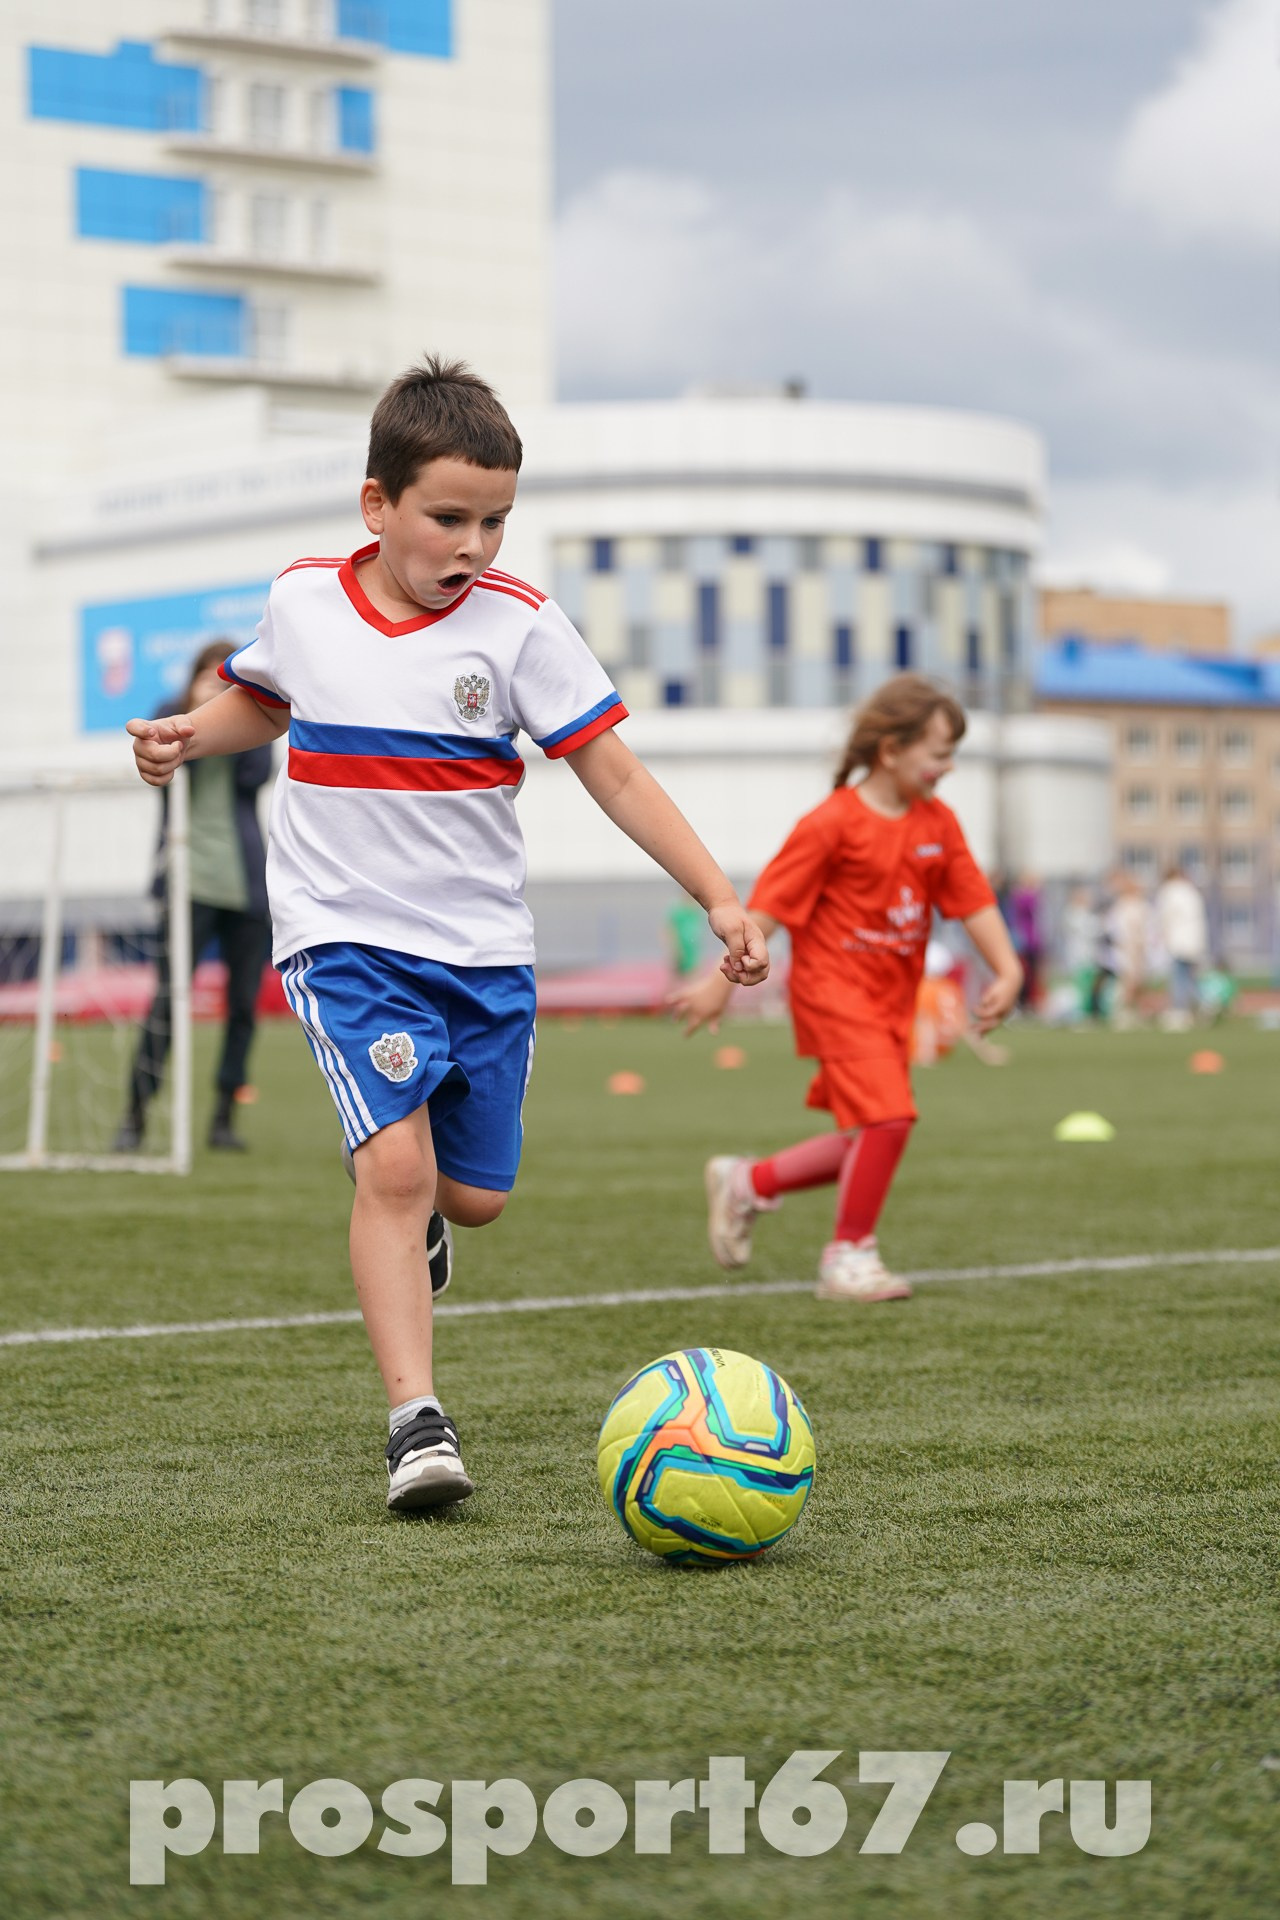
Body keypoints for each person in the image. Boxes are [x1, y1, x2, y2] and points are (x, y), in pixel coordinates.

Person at [127, 355, 769, 1514]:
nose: (473, 545)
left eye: (495, 521)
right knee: (395, 1170)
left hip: (484, 956)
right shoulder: (305, 598)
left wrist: (715, 895)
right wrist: (192, 731)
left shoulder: (521, 627)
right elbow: (264, 701)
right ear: (377, 505)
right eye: (447, 518)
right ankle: (414, 1422)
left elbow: (612, 774)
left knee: (468, 1199)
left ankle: (423, 1229)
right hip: (343, 941)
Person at [671, 673, 1022, 1302]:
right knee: (889, 1119)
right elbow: (770, 908)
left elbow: (974, 901)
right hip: (833, 997)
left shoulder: (938, 825)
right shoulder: (832, 824)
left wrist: (1009, 968)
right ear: (891, 750)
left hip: (892, 1005)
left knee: (868, 1134)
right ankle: (848, 1257)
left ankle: (748, 1182)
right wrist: (721, 981)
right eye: (939, 754)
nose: (948, 768)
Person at [113, 639, 273, 1153]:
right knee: (167, 1001)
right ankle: (135, 1116)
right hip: (187, 883)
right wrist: (199, 714)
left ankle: (224, 1118)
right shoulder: (168, 714)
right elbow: (174, 766)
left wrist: (227, 712)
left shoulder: (257, 718)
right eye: (208, 672)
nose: (216, 681)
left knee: (244, 1007)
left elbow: (255, 774)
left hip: (245, 885)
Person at [1155, 863, 1208, 1031]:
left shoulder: (1168, 891)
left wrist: (1159, 938)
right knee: (1190, 977)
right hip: (1195, 941)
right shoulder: (1191, 891)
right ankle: (1203, 1006)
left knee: (1179, 977)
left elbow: (1165, 917)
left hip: (1178, 941)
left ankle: (1180, 1012)